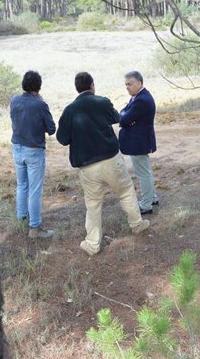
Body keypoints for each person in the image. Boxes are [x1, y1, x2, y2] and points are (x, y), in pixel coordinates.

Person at [56, 72, 150, 256]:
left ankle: (92, 244)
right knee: (125, 191)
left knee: (93, 204)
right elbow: (116, 118)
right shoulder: (102, 102)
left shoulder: (69, 110)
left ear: (77, 88)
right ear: (92, 85)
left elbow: (62, 139)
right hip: (110, 158)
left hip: (87, 166)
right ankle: (137, 225)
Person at [10, 70, 56, 239]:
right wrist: (41, 102)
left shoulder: (14, 100)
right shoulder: (40, 104)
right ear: (39, 86)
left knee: (22, 185)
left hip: (17, 147)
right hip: (34, 150)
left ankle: (22, 218)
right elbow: (51, 129)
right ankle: (34, 228)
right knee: (35, 189)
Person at [119, 71, 158, 215]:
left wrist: (125, 116)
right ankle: (152, 198)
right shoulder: (138, 96)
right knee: (145, 172)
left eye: (129, 84)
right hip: (140, 140)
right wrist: (126, 115)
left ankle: (146, 205)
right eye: (126, 85)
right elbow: (124, 112)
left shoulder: (141, 100)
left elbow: (123, 119)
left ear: (139, 83)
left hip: (139, 142)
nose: (127, 87)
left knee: (143, 174)